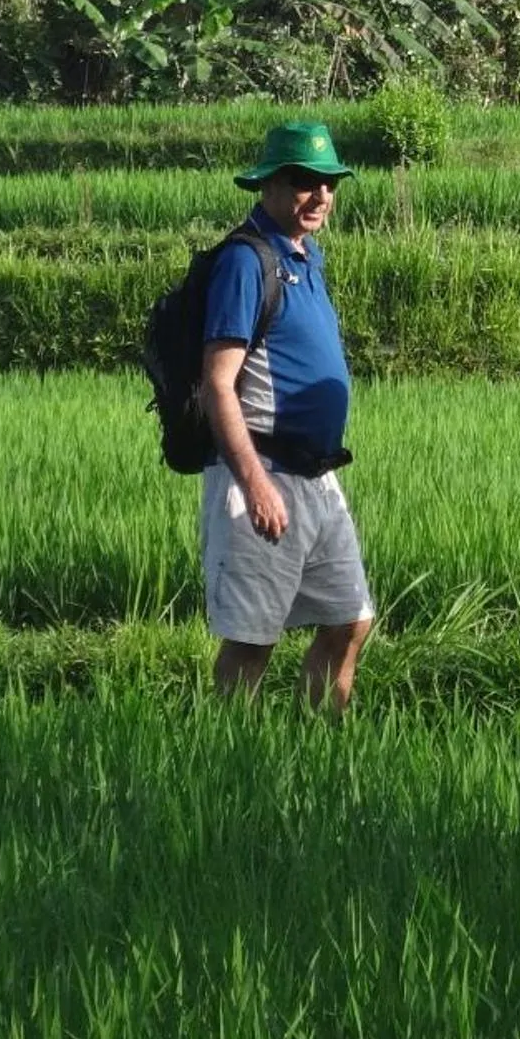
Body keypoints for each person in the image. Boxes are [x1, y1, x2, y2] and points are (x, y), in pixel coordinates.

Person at [199, 121, 374, 713]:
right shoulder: (245, 261)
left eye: (329, 183)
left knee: (350, 621)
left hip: (318, 480)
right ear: (270, 185)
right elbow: (217, 385)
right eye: (304, 182)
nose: (320, 196)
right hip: (265, 476)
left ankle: (318, 753)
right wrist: (255, 485)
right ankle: (227, 765)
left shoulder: (305, 255)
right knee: (252, 644)